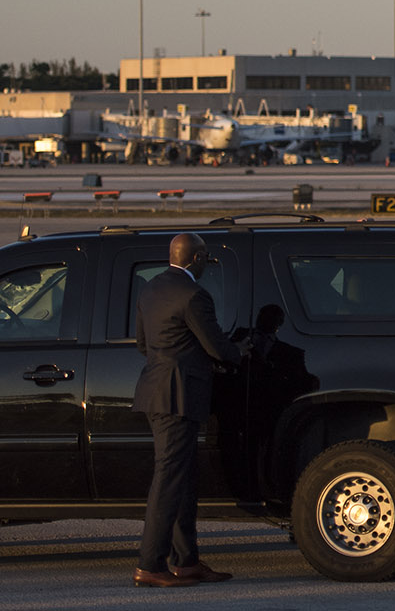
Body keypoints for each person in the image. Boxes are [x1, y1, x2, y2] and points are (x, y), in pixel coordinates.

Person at [133, 232, 242, 588]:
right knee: (168, 482)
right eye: (206, 259)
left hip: (156, 391)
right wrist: (240, 354)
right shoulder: (195, 295)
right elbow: (218, 348)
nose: (207, 265)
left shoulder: (150, 289)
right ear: (195, 259)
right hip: (178, 397)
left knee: (181, 480)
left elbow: (143, 344)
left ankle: (185, 560)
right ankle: (151, 564)